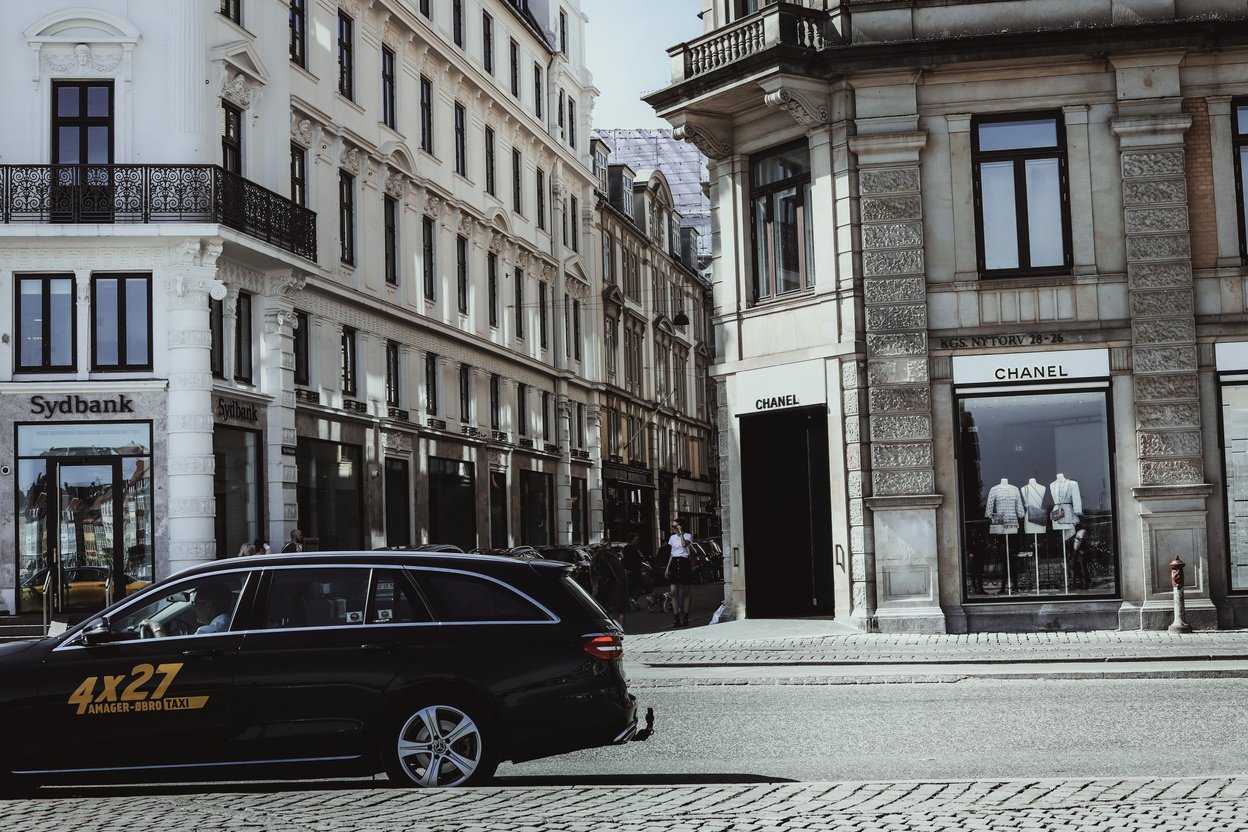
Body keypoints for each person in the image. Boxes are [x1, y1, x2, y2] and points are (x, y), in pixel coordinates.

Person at [591, 542, 628, 627]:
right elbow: (618, 572)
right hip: (613, 585)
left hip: (600, 585)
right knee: (620, 609)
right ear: (609, 546)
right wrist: (623, 584)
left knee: (604, 609)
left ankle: (607, 626)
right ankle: (621, 627)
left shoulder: (595, 557)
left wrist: (594, 586)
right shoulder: (612, 556)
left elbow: (592, 574)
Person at [665, 522, 694, 628]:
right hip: (674, 562)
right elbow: (672, 553)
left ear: (680, 527)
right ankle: (676, 617)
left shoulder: (687, 536)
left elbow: (683, 545)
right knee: (673, 591)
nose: (673, 528)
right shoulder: (672, 538)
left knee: (686, 590)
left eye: (675, 526)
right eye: (672, 526)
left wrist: (681, 533)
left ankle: (686, 616)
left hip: (684, 562)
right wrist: (668, 567)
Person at [620, 533, 646, 611]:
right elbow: (638, 559)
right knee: (640, 585)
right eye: (636, 540)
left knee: (632, 586)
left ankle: (634, 601)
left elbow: (623, 559)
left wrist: (625, 568)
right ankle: (634, 599)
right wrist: (642, 569)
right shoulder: (635, 548)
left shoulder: (624, 548)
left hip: (629, 570)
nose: (637, 541)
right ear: (632, 540)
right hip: (636, 569)